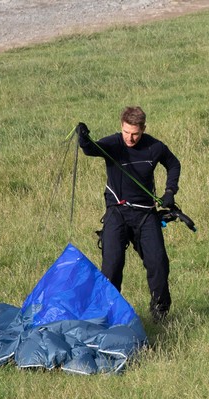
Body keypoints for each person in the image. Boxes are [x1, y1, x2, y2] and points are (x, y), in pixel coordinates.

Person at [76, 106, 181, 323]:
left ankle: (160, 314)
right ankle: (108, 317)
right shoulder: (114, 143)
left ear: (143, 129)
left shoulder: (154, 147)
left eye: (135, 133)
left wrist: (170, 191)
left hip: (145, 214)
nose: (130, 138)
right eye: (126, 132)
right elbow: (91, 149)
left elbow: (173, 164)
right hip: (117, 213)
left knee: (159, 264)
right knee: (112, 267)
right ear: (121, 126)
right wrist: (84, 138)